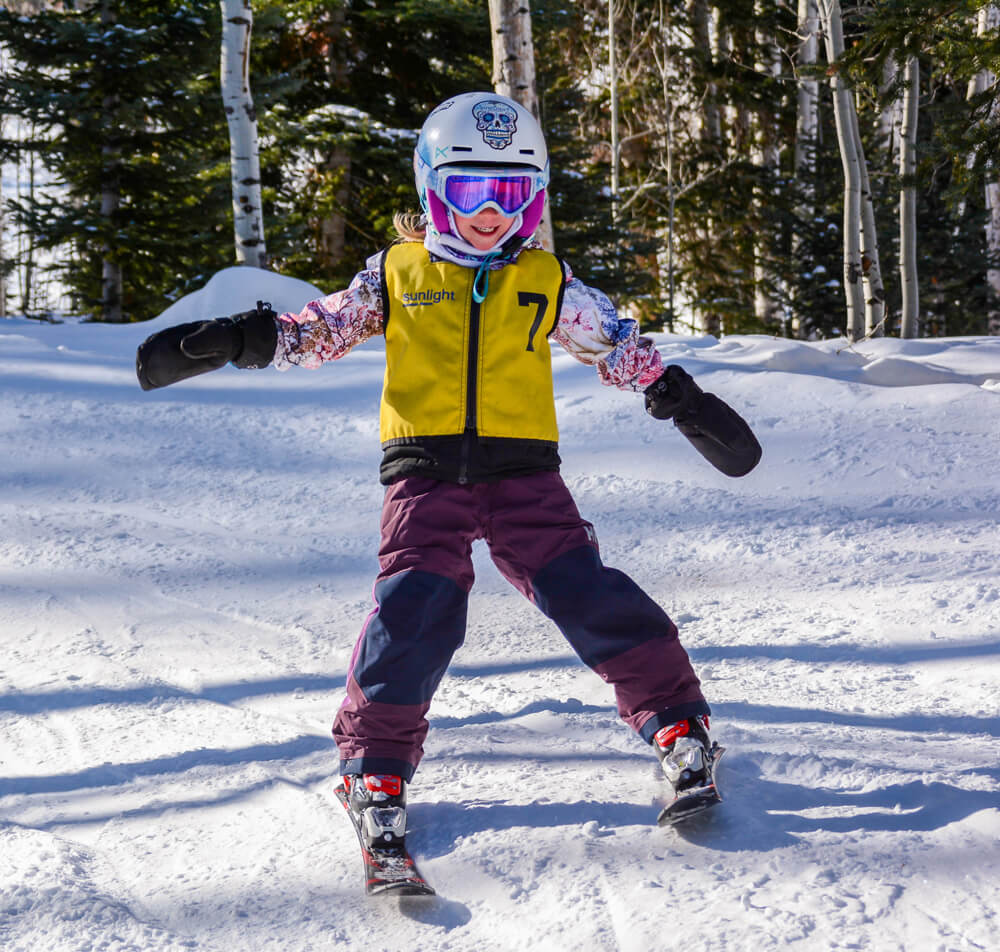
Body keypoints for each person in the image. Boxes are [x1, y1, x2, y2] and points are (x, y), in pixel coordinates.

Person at [136, 91, 762, 844]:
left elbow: (615, 343)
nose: (490, 211)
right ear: (435, 186)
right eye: (472, 190)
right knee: (414, 612)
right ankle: (374, 766)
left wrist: (674, 395)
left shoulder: (545, 280)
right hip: (423, 476)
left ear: (531, 201)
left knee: (588, 593)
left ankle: (679, 728)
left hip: (525, 475)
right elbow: (324, 329)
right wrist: (245, 338)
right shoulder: (397, 273)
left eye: (510, 192)